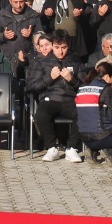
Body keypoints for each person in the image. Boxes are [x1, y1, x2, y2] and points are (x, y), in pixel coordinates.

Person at [27, 33, 84, 162]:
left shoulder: (76, 61)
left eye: (64, 47)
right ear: (52, 46)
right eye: (57, 47)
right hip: (50, 99)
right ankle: (52, 147)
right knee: (41, 115)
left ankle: (72, 148)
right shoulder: (42, 62)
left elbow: (85, 86)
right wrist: (49, 78)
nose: (60, 51)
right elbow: (31, 86)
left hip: (70, 99)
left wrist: (72, 79)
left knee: (83, 113)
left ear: (68, 46)